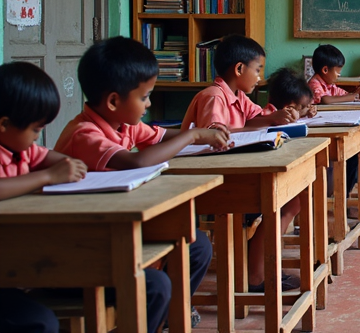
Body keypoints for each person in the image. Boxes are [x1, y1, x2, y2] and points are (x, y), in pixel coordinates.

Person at [53, 37, 230, 331]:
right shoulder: (84, 134)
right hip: (81, 243)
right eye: (145, 97)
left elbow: (161, 137)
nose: (148, 104)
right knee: (156, 285)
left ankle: (168, 314)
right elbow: (134, 163)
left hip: (117, 223)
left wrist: (202, 131)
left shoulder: (124, 123)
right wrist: (193, 136)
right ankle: (154, 316)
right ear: (113, 101)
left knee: (197, 246)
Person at [180, 35, 302, 292]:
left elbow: (255, 119)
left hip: (235, 171)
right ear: (239, 68)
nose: (260, 77)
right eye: (257, 70)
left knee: (292, 199)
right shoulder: (214, 97)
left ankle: (259, 265)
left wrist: (277, 117)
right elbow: (213, 136)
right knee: (279, 198)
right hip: (212, 180)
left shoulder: (237, 96)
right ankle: (256, 274)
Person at [0, 62, 87, 333]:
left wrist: (70, 164)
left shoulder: (21, 149)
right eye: (36, 129)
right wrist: (47, 177)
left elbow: (51, 158)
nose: (38, 138)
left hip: (25, 260)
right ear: (4, 124)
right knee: (41, 322)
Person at [308, 44, 360, 204]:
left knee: (354, 156)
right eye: (338, 71)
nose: (339, 75)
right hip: (319, 135)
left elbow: (343, 95)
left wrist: (356, 94)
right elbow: (325, 100)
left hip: (331, 129)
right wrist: (353, 97)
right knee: (351, 158)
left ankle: (343, 197)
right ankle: (341, 199)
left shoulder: (330, 85)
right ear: (325, 70)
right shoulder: (314, 84)